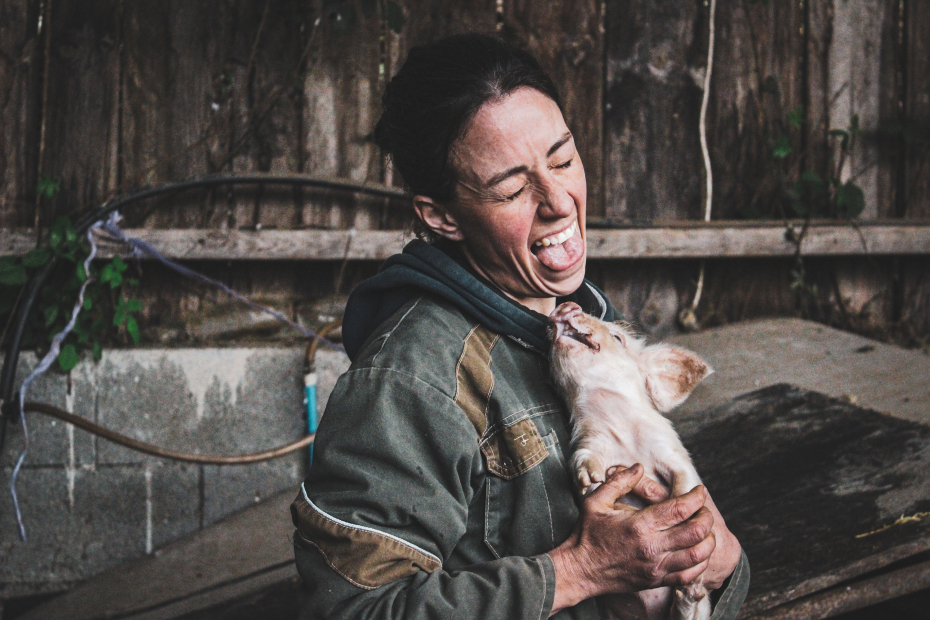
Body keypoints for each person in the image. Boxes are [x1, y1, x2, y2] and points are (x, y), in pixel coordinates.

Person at [291, 34, 748, 619]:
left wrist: (723, 561)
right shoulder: (411, 382)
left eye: (562, 158)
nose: (558, 201)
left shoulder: (584, 325)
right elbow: (349, 612)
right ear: (442, 216)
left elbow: (696, 558)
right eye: (511, 189)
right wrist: (579, 571)